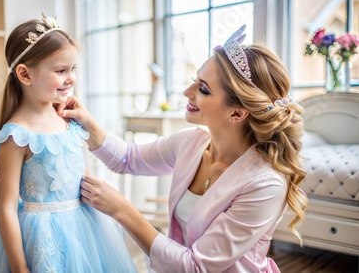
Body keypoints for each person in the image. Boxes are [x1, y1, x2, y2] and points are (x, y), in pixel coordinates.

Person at [58, 25, 308, 272]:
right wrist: (86, 121)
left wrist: (122, 210)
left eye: (203, 89)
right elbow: (127, 158)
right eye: (194, 80)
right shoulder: (191, 142)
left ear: (237, 113)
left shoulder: (265, 184)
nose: (187, 92)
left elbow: (195, 266)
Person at [0, 13, 137, 273]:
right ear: (25, 74)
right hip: (42, 239)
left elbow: (79, 175)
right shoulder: (16, 136)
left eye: (72, 69)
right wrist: (20, 267)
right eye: (60, 70)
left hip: (85, 228)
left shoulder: (67, 119)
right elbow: (7, 208)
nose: (71, 78)